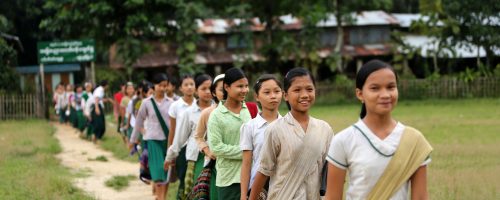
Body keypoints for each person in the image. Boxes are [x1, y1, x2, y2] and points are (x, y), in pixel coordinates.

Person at [324, 60, 433, 200]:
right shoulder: (343, 140)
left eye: (391, 87)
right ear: (360, 94)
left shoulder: (414, 141)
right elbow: (332, 197)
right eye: (375, 88)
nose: (385, 94)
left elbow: (420, 197)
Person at [249, 68, 333, 200]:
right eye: (297, 90)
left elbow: (329, 172)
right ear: (286, 95)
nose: (305, 95)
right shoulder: (275, 129)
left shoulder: (324, 129)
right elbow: (264, 171)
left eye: (309, 89)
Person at [164, 74, 213, 199]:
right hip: (196, 158)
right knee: (194, 193)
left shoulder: (220, 110)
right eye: (203, 88)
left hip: (215, 157)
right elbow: (179, 138)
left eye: (210, 88)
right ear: (197, 90)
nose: (208, 92)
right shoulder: (189, 113)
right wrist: (169, 157)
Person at [207, 67, 252, 200]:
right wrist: (246, 152)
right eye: (239, 86)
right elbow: (216, 148)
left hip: (251, 175)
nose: (244, 90)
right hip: (229, 179)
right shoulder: (216, 116)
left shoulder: (249, 109)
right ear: (226, 87)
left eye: (246, 86)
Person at [240, 74, 283, 199]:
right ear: (257, 97)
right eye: (267, 92)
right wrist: (243, 195)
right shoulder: (249, 127)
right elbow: (247, 163)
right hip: (258, 189)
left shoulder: (289, 125)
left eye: (277, 91)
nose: (273, 96)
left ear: (283, 94)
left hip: (284, 188)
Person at [132, 74, 172, 200]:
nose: (162, 88)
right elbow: (139, 121)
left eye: (165, 86)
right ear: (154, 86)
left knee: (166, 172)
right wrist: (133, 139)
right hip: (153, 140)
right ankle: (160, 198)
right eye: (160, 85)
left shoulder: (172, 103)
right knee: (158, 171)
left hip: (168, 140)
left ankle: (162, 197)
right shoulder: (146, 103)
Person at [193, 73, 225, 200]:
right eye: (222, 90)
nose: (226, 93)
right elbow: (198, 136)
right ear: (214, 92)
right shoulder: (208, 113)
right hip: (215, 163)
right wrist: (207, 151)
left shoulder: (243, 112)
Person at [167, 74, 196, 198]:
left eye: (192, 84)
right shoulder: (175, 106)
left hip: (197, 148)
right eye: (186, 85)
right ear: (180, 88)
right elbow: (172, 131)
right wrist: (171, 153)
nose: (189, 87)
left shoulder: (201, 105)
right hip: (181, 149)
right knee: (183, 180)